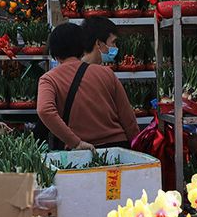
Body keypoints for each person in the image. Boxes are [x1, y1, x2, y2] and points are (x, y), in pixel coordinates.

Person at [37, 22, 139, 151]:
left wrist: (75, 142)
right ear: (82, 46)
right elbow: (128, 117)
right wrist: (136, 147)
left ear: (54, 51)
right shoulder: (106, 72)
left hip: (81, 153)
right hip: (117, 146)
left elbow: (45, 111)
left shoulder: (49, 79)